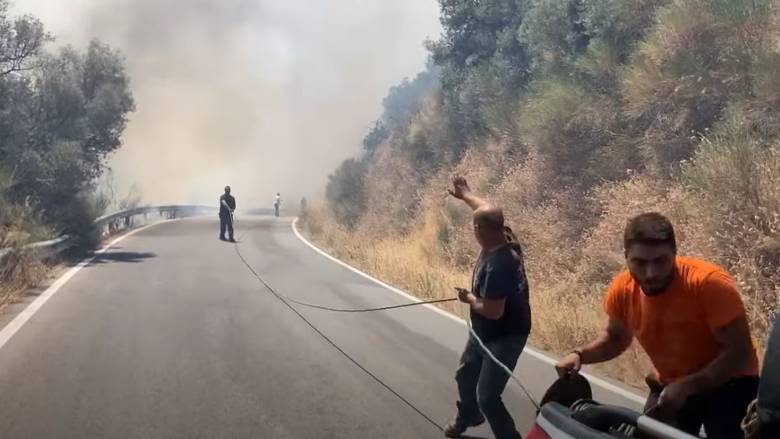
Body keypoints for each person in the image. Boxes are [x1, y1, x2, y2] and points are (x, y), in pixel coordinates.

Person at [555, 212, 759, 439]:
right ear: (626, 257)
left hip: (730, 382)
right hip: (670, 386)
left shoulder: (708, 284)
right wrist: (579, 355)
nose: (650, 273)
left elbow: (739, 353)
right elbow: (615, 339)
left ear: (674, 253)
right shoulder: (622, 289)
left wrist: (688, 386)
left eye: (660, 261)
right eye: (639, 263)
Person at [444, 176, 531, 439]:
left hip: (506, 335)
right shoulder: (505, 235)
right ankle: (469, 415)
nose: (473, 229)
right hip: (484, 330)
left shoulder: (499, 266)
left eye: (474, 226)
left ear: (479, 230)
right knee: (464, 376)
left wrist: (469, 298)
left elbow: (494, 311)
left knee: (488, 397)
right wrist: (466, 194)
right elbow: (487, 210)